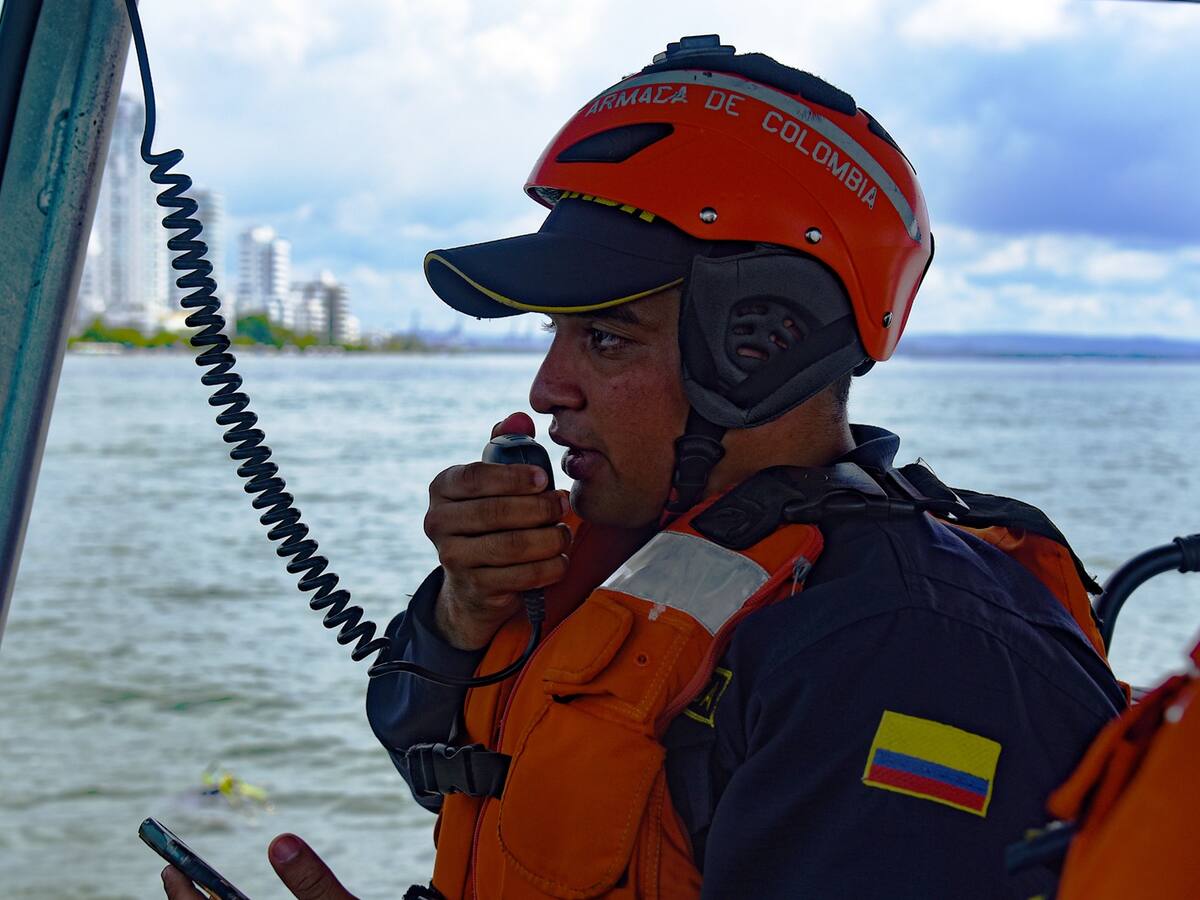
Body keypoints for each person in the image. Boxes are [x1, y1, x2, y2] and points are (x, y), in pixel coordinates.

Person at [163, 35, 1125, 900]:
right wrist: (465, 611)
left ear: (761, 343)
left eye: (607, 338)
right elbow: (444, 763)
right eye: (556, 333)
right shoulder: (634, 559)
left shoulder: (913, 655)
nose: (547, 388)